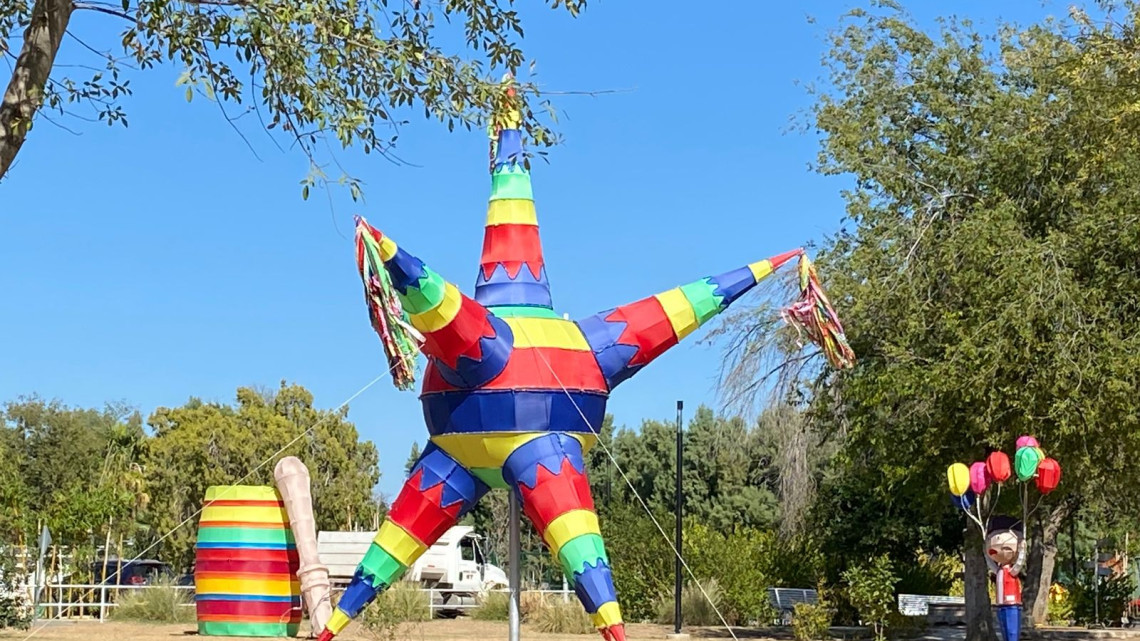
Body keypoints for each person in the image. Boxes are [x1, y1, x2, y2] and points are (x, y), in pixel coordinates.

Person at [985, 516, 1026, 641]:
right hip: (1001, 604)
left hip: (1012, 605)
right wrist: (985, 552)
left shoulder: (1011, 571)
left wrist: (1022, 550)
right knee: (1004, 630)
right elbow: (990, 564)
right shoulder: (999, 571)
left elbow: (1019, 563)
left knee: (1012, 631)